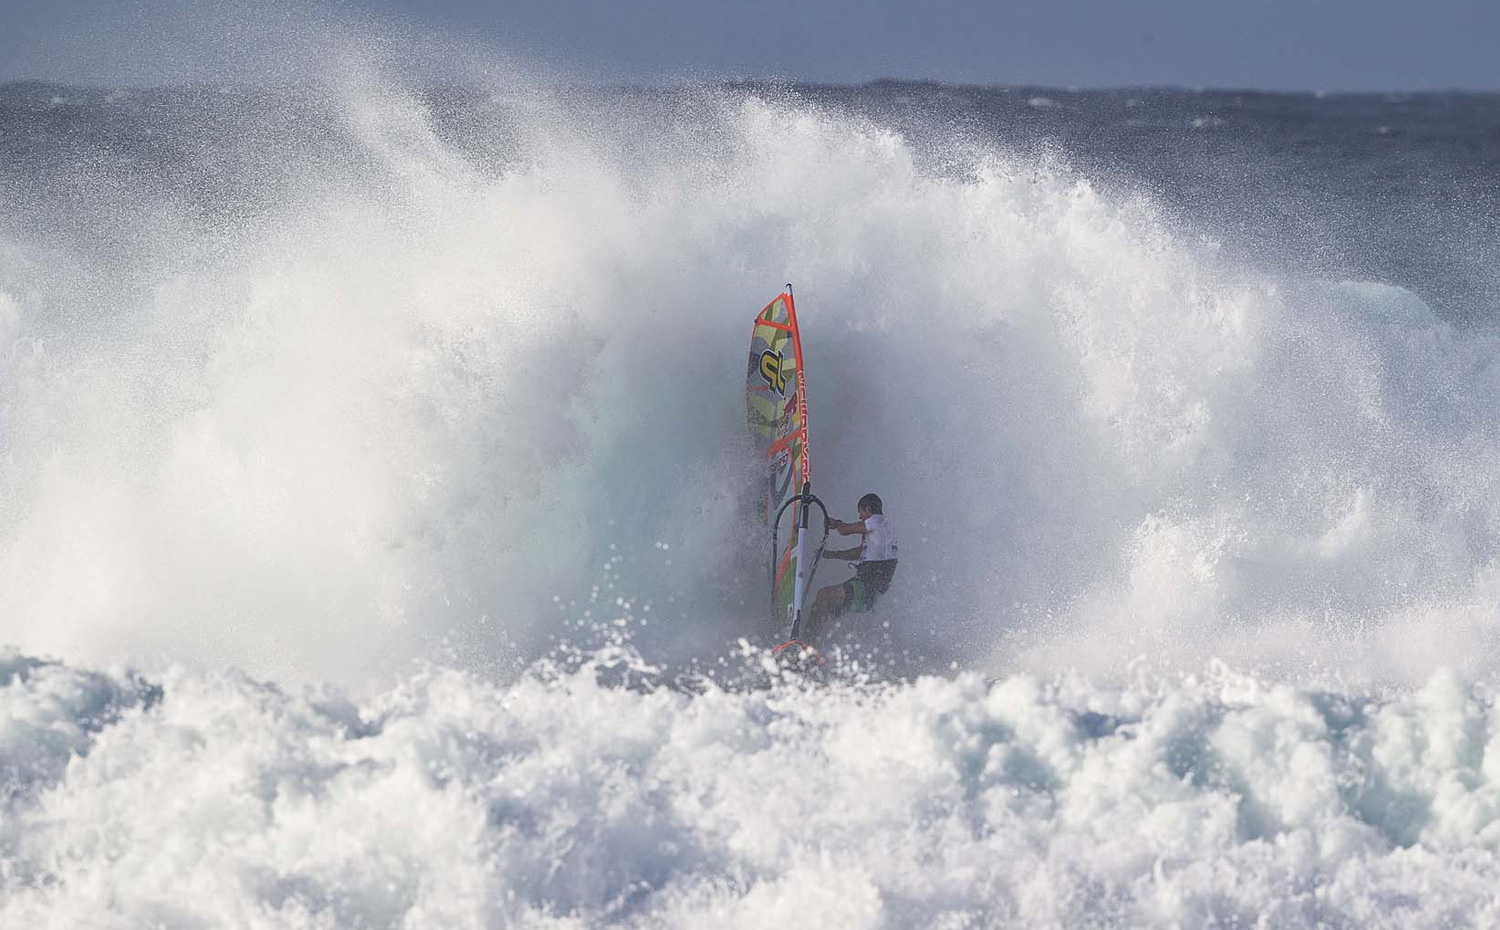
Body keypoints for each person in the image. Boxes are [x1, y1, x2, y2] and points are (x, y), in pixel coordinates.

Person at [803, 492, 898, 642]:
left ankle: (805, 645)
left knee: (823, 596)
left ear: (868, 508)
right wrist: (832, 554)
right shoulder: (884, 531)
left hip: (867, 587)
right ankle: (815, 646)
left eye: (861, 513)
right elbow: (858, 553)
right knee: (825, 604)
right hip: (869, 589)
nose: (860, 517)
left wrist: (836, 523)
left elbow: (845, 530)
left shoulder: (878, 520)